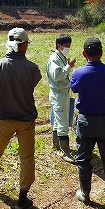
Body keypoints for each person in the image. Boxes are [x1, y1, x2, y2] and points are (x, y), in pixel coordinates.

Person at [0, 28, 42, 209]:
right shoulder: (33, 69)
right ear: (23, 45)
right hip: (26, 121)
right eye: (27, 43)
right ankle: (22, 198)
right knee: (27, 157)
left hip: (4, 120)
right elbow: (33, 82)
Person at [70, 37, 105, 207]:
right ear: (102, 52)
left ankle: (85, 193)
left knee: (83, 158)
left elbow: (74, 88)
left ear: (84, 54)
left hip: (85, 121)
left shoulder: (78, 73)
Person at [46, 33, 76, 163]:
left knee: (59, 120)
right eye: (66, 45)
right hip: (58, 93)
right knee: (63, 122)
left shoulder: (61, 56)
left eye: (69, 45)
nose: (68, 48)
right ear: (59, 46)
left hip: (62, 92)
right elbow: (57, 75)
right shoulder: (54, 59)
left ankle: (56, 145)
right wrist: (69, 66)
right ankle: (65, 151)